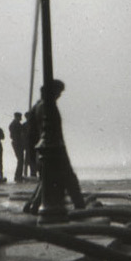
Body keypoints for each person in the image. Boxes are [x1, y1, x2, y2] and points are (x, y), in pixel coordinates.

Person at [23, 80, 86, 214]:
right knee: (69, 179)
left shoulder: (37, 107)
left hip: (42, 151)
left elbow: (31, 134)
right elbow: (54, 132)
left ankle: (32, 205)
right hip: (55, 150)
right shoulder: (48, 106)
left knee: (47, 179)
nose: (59, 95)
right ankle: (80, 208)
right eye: (58, 92)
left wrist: (32, 155)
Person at [8, 111, 26, 182]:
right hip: (18, 143)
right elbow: (18, 135)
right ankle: (18, 176)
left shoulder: (13, 124)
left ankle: (18, 175)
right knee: (20, 159)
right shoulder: (16, 124)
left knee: (20, 160)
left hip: (16, 143)